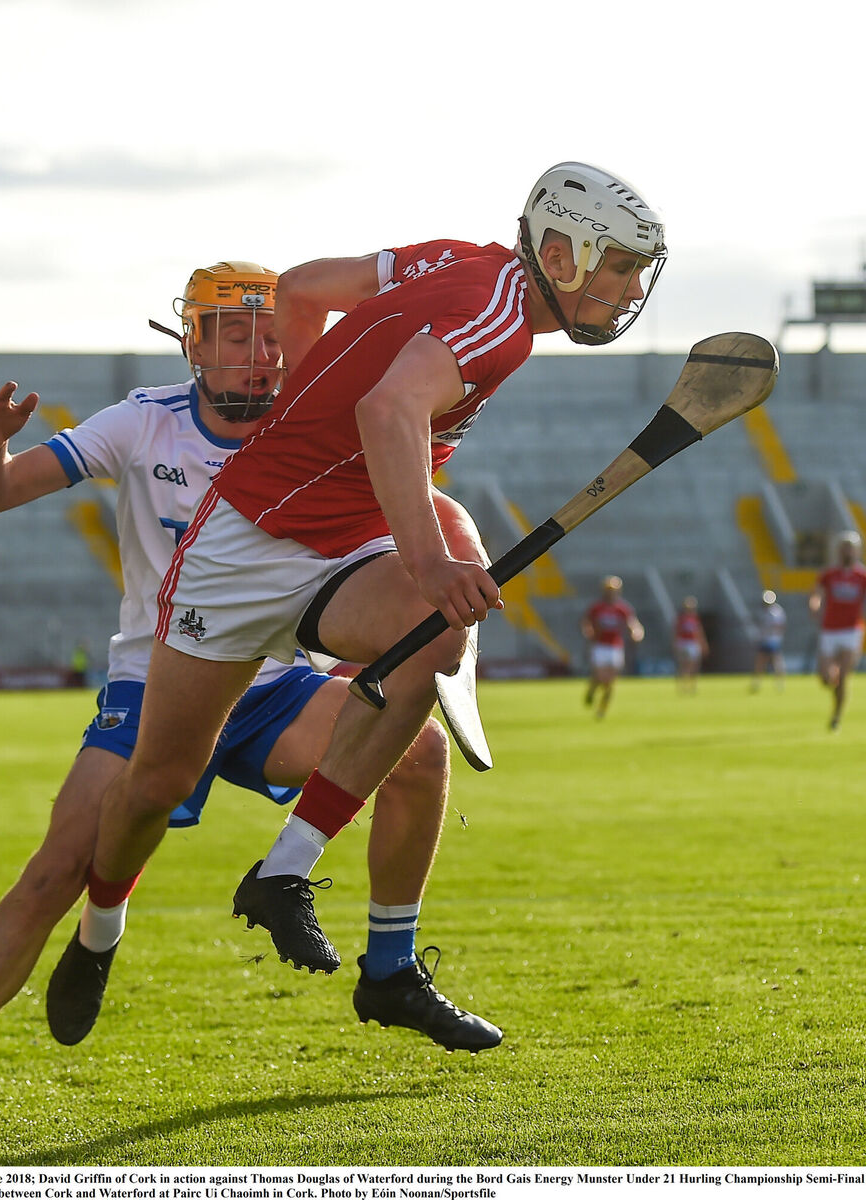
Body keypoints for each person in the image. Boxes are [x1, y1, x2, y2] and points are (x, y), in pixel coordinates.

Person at [0, 260, 482, 1117]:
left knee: (419, 755)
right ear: (194, 341)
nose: (259, 355)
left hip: (272, 686)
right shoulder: (143, 422)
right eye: (235, 335)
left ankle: (391, 967)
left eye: (272, 336)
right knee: (60, 870)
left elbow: (422, 507)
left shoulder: (325, 429)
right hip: (154, 681)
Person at [77, 163, 666, 1013]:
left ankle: (289, 876)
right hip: (244, 548)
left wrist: (314, 404)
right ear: (564, 253)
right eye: (621, 265)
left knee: (435, 633)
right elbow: (387, 412)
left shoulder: (456, 260)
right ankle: (101, 930)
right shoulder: (501, 324)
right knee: (158, 783)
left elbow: (306, 290)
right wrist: (428, 556)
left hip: (342, 540)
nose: (631, 288)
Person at [808, 531, 866, 730]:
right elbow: (816, 593)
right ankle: (833, 678)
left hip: (851, 630)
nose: (847, 551)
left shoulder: (862, 575)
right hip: (830, 629)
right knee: (825, 678)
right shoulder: (829, 574)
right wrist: (814, 605)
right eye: (844, 547)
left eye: (851, 547)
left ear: (857, 550)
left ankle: (836, 716)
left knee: (843, 677)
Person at [581, 575, 645, 717]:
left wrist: (636, 632)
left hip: (614, 646)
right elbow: (586, 622)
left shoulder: (622, 608)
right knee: (600, 675)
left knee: (610, 680)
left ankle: (602, 708)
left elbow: (633, 623)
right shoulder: (597, 607)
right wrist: (588, 630)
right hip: (599, 645)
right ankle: (592, 690)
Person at [750, 589, 786, 691]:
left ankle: (780, 683)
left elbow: (780, 626)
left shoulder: (777, 612)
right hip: (764, 639)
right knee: (760, 662)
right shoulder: (762, 611)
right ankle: (756, 682)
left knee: (776, 662)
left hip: (773, 640)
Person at [672, 595, 709, 693]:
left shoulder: (695, 618)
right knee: (685, 665)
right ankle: (683, 685)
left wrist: (703, 643)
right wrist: (675, 643)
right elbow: (676, 632)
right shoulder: (681, 618)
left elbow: (699, 632)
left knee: (694, 665)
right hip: (684, 643)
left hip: (693, 643)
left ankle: (692, 685)